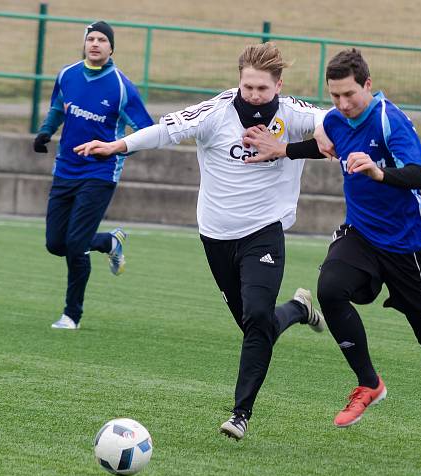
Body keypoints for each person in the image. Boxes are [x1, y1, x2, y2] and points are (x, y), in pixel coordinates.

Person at [73, 42, 327, 441]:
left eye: (263, 88)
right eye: (248, 87)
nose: (255, 96)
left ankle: (241, 414)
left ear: (279, 84)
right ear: (238, 82)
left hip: (265, 231)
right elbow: (164, 131)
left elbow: (338, 130)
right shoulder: (216, 113)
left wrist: (285, 149)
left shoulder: (296, 114)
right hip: (216, 235)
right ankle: (297, 308)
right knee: (254, 327)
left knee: (258, 319)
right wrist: (117, 146)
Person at [244, 49, 421, 461]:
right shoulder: (335, 119)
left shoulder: (388, 120)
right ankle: (369, 383)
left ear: (367, 84)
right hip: (361, 235)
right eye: (335, 96)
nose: (343, 104)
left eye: (349, 95)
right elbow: (322, 144)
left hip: (407, 245)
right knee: (329, 288)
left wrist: (380, 172)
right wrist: (282, 150)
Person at [33, 21, 154, 330]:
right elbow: (58, 108)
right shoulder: (67, 75)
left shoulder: (121, 86)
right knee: (55, 243)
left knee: (75, 244)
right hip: (64, 169)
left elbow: (147, 132)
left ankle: (71, 315)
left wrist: (114, 149)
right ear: (84, 44)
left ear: (111, 47)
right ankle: (109, 243)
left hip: (100, 173)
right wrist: (46, 131)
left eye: (102, 39)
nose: (96, 43)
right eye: (91, 39)